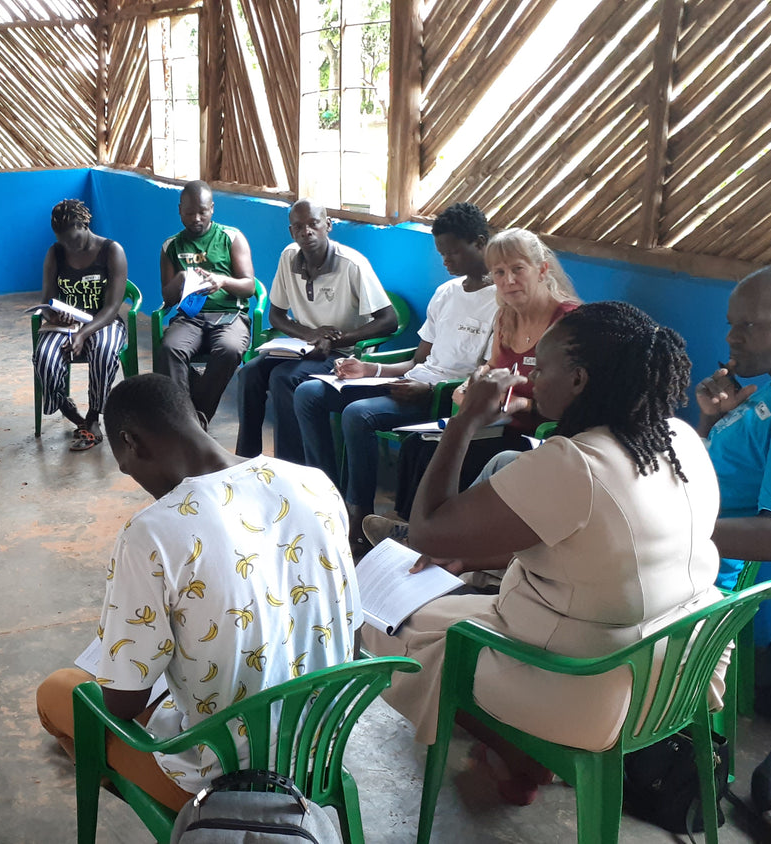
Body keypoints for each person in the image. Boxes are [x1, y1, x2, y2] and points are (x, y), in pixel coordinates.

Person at [361, 302, 725, 806]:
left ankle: (525, 754)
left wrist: (465, 420)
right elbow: (601, 547)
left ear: (578, 379)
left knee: (384, 623)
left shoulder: (575, 463)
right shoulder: (677, 436)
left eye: (541, 367)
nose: (530, 377)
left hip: (587, 683)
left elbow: (425, 531)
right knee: (446, 610)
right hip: (678, 667)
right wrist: (471, 558)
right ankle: (516, 749)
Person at [36, 374, 360, 809]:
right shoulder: (313, 482)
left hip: (223, 781)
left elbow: (123, 703)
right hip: (319, 753)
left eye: (125, 465)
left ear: (131, 443)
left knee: (58, 692)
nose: (134, 478)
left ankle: (168, 807)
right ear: (201, 421)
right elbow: (352, 632)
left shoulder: (153, 532)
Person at [288, 203, 496, 552]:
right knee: (308, 393)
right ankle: (325, 496)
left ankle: (358, 515)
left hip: (440, 396)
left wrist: (428, 390)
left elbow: (481, 375)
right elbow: (418, 360)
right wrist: (370, 370)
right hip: (411, 382)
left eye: (453, 252)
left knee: (358, 414)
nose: (445, 261)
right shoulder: (446, 293)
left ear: (479, 242)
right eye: (441, 253)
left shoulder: (500, 302)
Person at [386, 227, 581, 523]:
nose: (508, 280)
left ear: (542, 270)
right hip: (498, 426)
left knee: (456, 459)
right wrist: (469, 386)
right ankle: (410, 528)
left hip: (539, 437)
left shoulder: (569, 322)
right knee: (418, 445)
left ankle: (436, 535)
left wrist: (524, 405)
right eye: (499, 272)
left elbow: (579, 401)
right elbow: (493, 365)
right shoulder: (506, 315)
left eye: (518, 269)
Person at [234, 198, 397, 461]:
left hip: (342, 353)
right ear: (291, 232)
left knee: (283, 378)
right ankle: (246, 459)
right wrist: (310, 335)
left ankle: (292, 464)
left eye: (314, 224)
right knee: (249, 373)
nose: (306, 232)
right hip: (304, 346)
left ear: (328, 225)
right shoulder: (288, 257)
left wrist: (337, 340)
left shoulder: (351, 264)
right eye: (298, 227)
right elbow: (276, 315)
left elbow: (389, 320)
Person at [695, 263, 771, 589]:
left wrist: (667, 532)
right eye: (731, 324)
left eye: (749, 324)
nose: (731, 337)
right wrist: (711, 419)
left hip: (691, 585)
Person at [32, 199, 131, 451]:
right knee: (44, 357)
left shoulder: (112, 251)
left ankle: (94, 417)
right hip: (66, 325)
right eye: (63, 241)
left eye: (73, 240)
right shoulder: (55, 253)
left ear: (84, 225)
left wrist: (84, 333)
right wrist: (54, 317)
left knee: (104, 350)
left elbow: (112, 307)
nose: (69, 246)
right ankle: (68, 409)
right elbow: (46, 301)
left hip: (103, 321)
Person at [156, 181, 257, 422]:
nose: (196, 218)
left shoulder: (231, 237)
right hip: (189, 318)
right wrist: (181, 277)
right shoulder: (171, 246)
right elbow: (168, 297)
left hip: (230, 316)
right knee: (170, 349)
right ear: (180, 210)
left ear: (212, 208)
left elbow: (249, 286)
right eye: (189, 212)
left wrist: (222, 281)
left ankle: (193, 421)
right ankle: (186, 421)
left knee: (229, 349)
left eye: (202, 212)